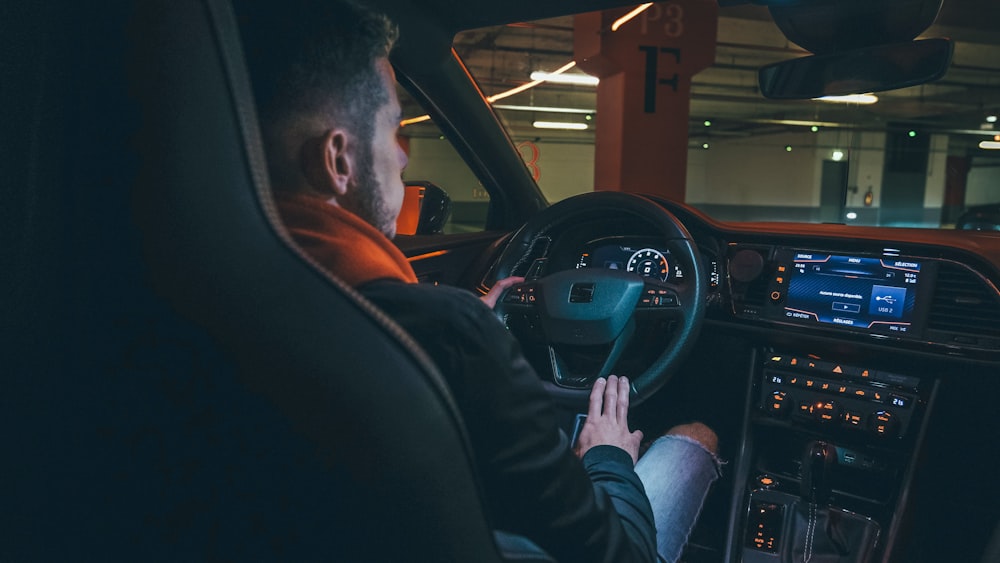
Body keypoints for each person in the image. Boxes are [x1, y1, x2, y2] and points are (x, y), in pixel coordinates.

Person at [240, 2, 721, 561]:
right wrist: (606, 456)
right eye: (395, 129)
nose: (403, 155)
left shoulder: (216, 295)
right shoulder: (446, 335)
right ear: (336, 160)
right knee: (695, 435)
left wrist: (470, 320)